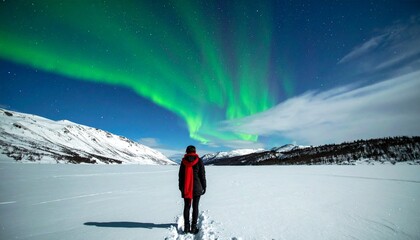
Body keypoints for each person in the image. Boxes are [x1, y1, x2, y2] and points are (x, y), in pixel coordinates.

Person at [178, 145, 206, 234]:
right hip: (197, 187)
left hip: (186, 187)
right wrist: (204, 186)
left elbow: (181, 176)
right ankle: (193, 228)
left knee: (187, 206)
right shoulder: (199, 161)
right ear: (195, 151)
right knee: (195, 207)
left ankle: (186, 227)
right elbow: (202, 175)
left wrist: (181, 186)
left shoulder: (184, 161)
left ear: (186, 151)